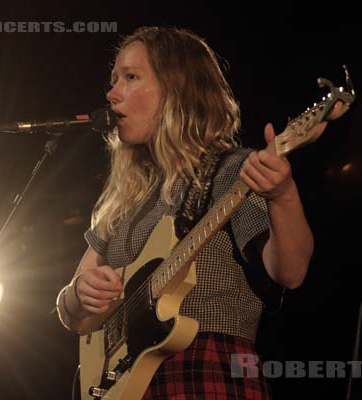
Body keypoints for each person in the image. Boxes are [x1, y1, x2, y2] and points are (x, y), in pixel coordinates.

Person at [57, 26, 315, 399]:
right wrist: (81, 295)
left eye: (131, 77)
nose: (112, 94)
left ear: (177, 90)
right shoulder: (123, 200)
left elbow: (289, 273)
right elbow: (73, 314)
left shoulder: (231, 172)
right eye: (113, 81)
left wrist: (283, 195)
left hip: (207, 369)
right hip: (123, 384)